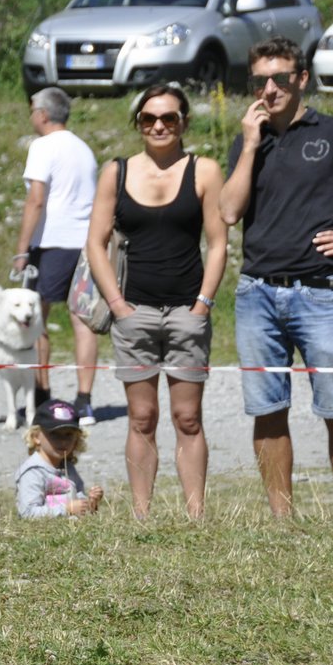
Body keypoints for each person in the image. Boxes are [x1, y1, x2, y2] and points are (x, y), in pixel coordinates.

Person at [221, 37, 333, 517]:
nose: (270, 88)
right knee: (267, 408)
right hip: (257, 293)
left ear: (302, 79)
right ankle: (283, 519)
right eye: (260, 80)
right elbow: (226, 211)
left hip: (321, 292)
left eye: (281, 78)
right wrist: (250, 146)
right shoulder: (247, 139)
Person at [85, 85, 227, 519]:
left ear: (184, 122)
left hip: (187, 310)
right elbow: (95, 241)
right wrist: (117, 304)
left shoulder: (204, 170)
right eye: (149, 119)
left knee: (188, 418)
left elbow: (219, 243)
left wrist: (202, 303)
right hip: (135, 311)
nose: (159, 126)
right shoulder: (117, 171)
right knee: (141, 417)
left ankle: (195, 515)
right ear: (139, 124)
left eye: (168, 118)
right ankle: (141, 515)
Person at [12, 87, 100, 423]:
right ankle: (85, 399)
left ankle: (41, 394)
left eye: (32, 109)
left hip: (51, 242)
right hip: (85, 242)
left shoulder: (42, 146)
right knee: (83, 320)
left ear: (44, 114)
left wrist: (22, 249)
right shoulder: (84, 149)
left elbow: (37, 199)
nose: (31, 114)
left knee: (36, 319)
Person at [15, 399, 104, 518]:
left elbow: (77, 502)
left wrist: (90, 504)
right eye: (54, 434)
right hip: (44, 534)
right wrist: (66, 509)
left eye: (69, 435)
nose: (63, 441)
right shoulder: (33, 472)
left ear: (77, 439)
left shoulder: (68, 467)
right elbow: (27, 513)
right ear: (36, 436)